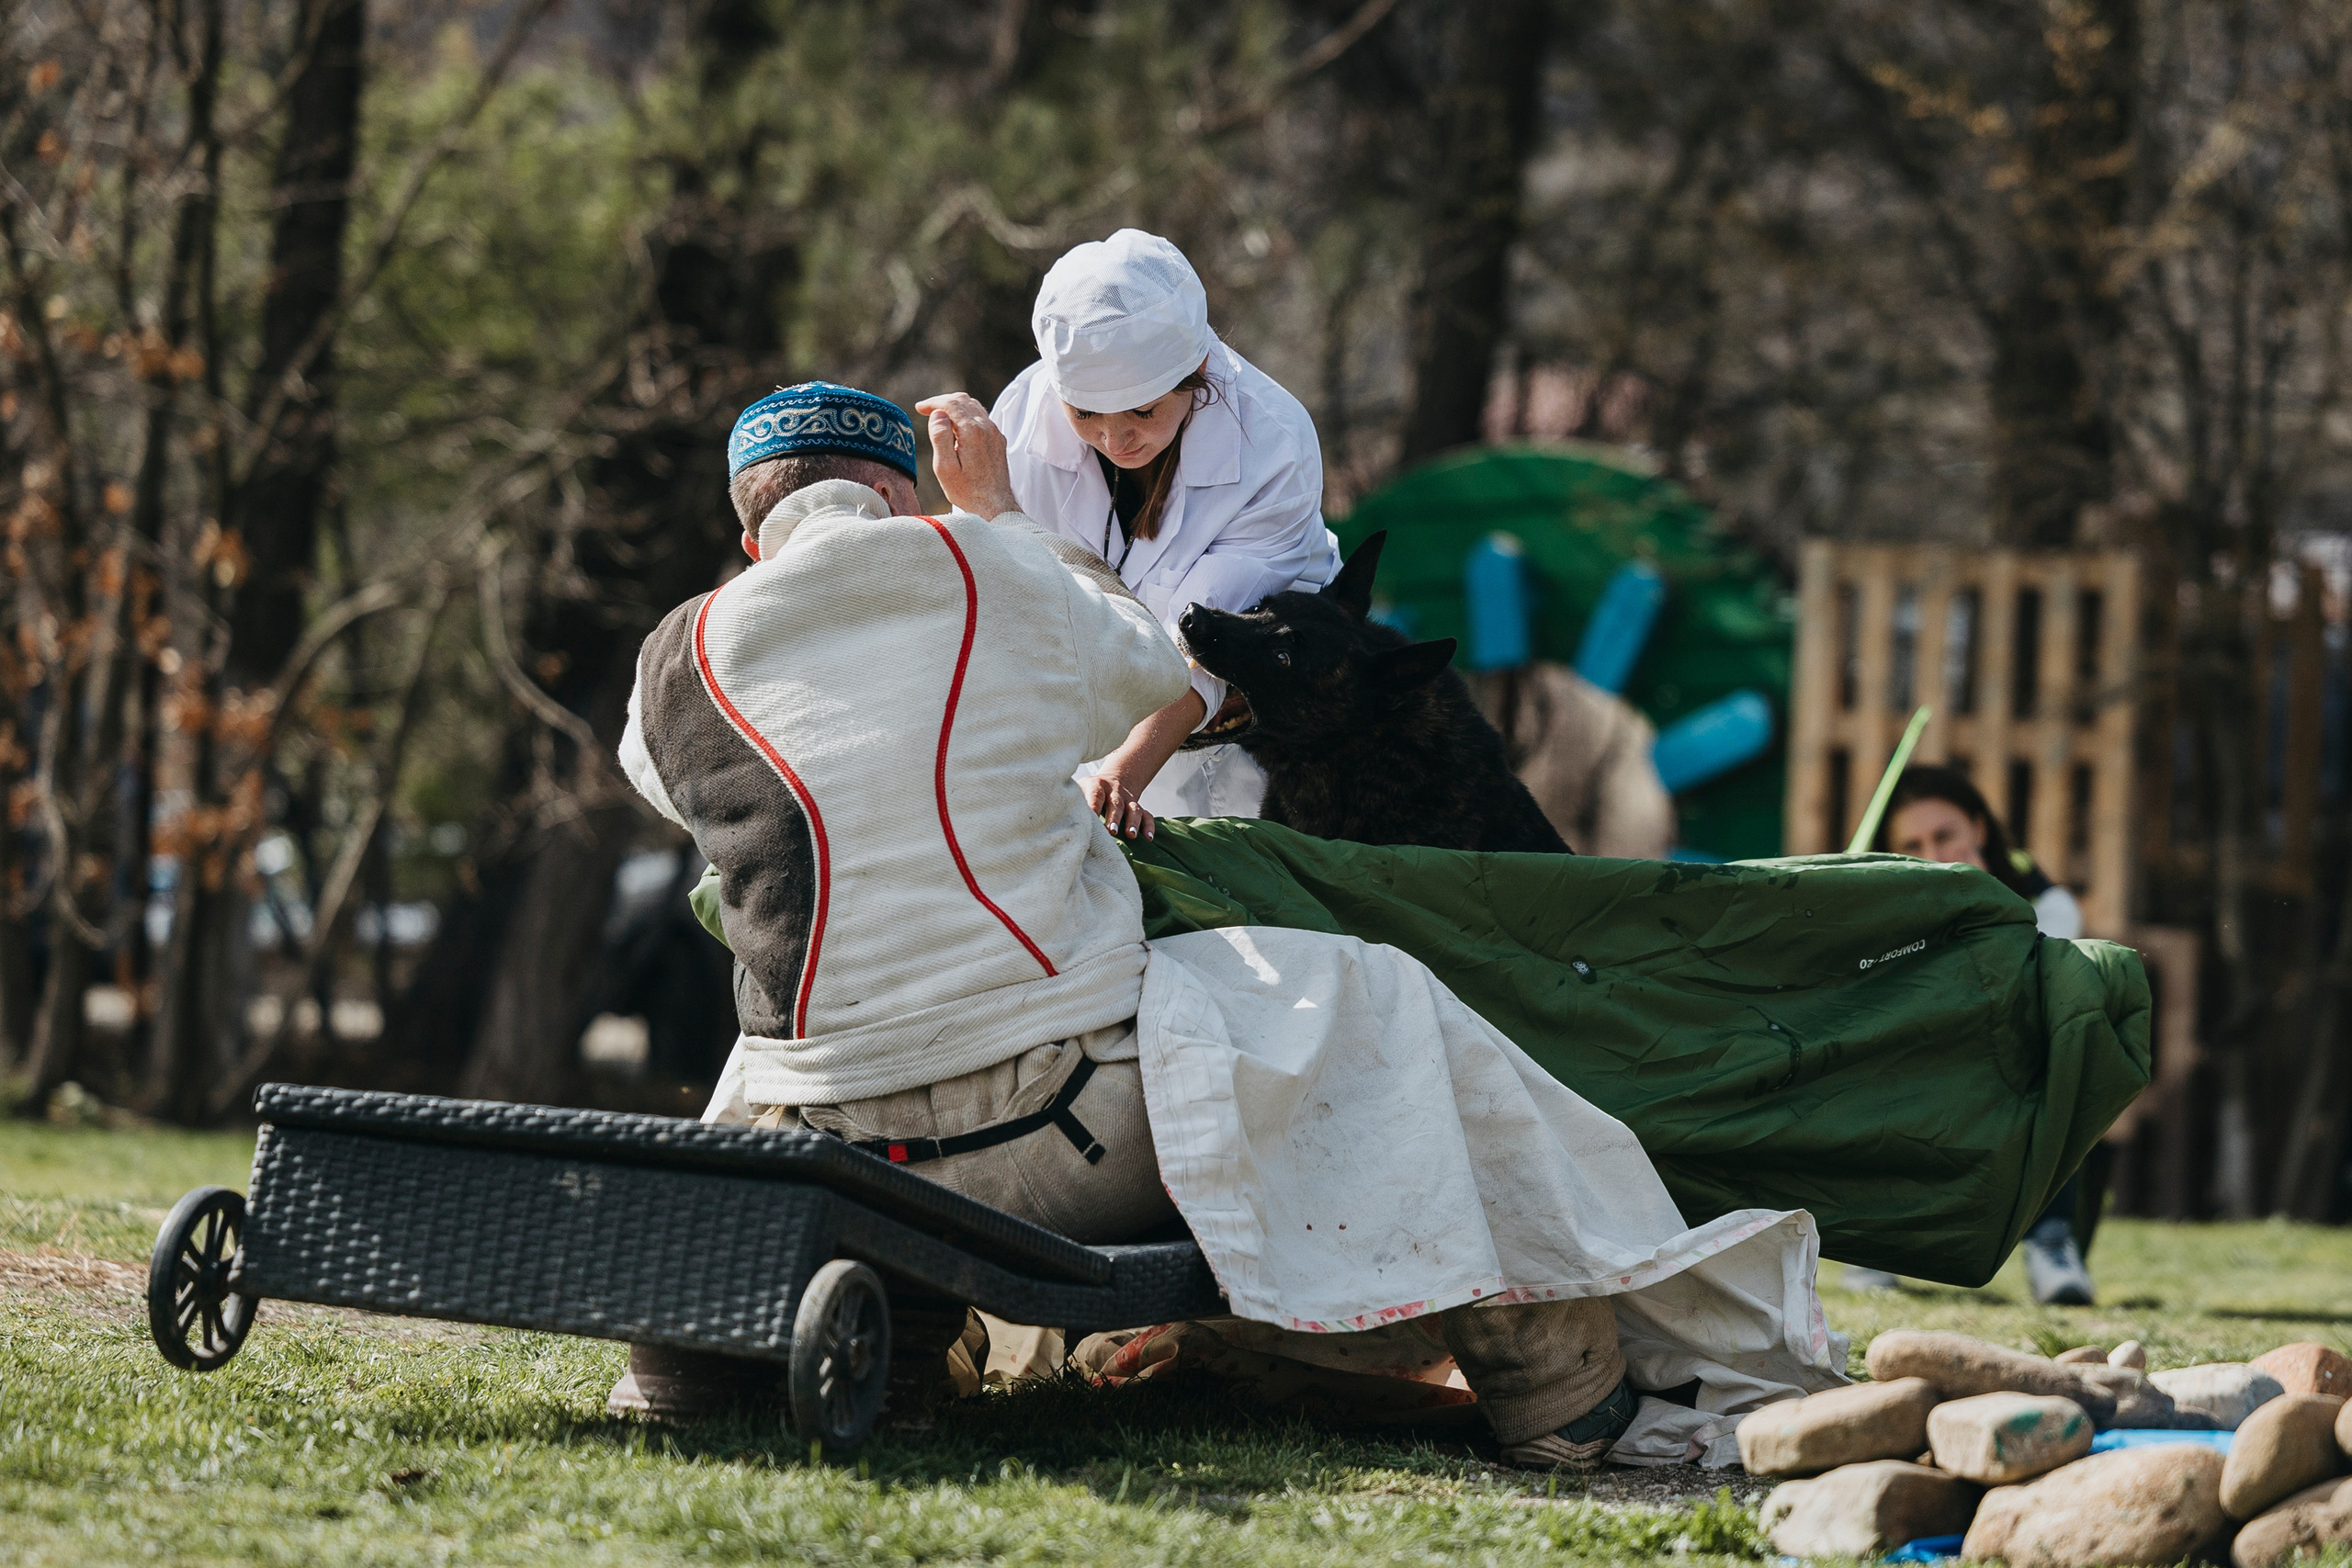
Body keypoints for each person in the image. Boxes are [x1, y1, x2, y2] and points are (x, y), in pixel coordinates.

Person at [610, 378, 1841, 1463]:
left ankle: (918, 1348)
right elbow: (1149, 670)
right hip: (1062, 1128)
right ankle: (1563, 1395)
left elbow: (668, 783)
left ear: (743, 528)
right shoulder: (988, 568)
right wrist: (993, 514)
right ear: (896, 486)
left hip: (831, 1147)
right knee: (1386, 996)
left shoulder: (677, 655)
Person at [989, 229, 1339, 838]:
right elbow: (1019, 603)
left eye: (1142, 412)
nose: (1113, 438)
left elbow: (1209, 646)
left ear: (1197, 368)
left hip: (1262, 732)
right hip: (1093, 732)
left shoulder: (1272, 444)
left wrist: (1124, 773)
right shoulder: (1019, 429)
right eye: (1085, 413)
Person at [1849, 764, 2096, 1304]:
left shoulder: (2045, 901)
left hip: (2008, 1070)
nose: (1934, 856)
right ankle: (1874, 1240)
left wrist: (1983, 904)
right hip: (1917, 1067)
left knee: (2065, 1053)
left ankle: (2051, 1241)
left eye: (1945, 836)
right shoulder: (1881, 903)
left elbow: (2028, 992)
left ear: (1979, 830)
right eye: (1913, 845)